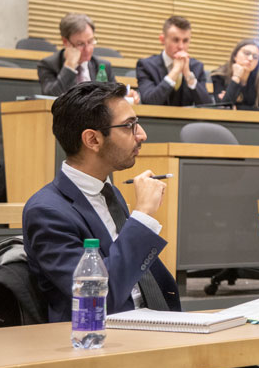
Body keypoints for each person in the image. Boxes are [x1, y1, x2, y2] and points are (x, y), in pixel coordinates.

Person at [22, 81, 180, 326]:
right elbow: (98, 300)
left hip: (154, 326)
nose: (142, 135)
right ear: (92, 140)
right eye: (129, 126)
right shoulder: (47, 212)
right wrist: (143, 217)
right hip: (100, 340)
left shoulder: (110, 193)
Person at [37, 13, 140, 103]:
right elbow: (51, 98)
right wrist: (69, 66)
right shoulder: (48, 65)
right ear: (65, 42)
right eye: (80, 44)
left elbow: (113, 98)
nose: (88, 49)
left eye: (90, 41)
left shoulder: (102, 66)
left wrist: (124, 97)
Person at [136, 15, 213, 106]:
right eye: (176, 40)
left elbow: (207, 105)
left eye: (185, 41)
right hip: (156, 120)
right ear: (162, 39)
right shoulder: (146, 65)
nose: (181, 46)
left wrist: (188, 75)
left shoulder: (197, 66)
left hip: (189, 119)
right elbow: (149, 102)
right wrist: (175, 71)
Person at [211, 39, 259, 110]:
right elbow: (223, 107)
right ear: (235, 55)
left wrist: (237, 108)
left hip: (254, 120)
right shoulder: (219, 75)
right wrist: (236, 77)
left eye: (255, 57)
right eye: (247, 53)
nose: (250, 59)